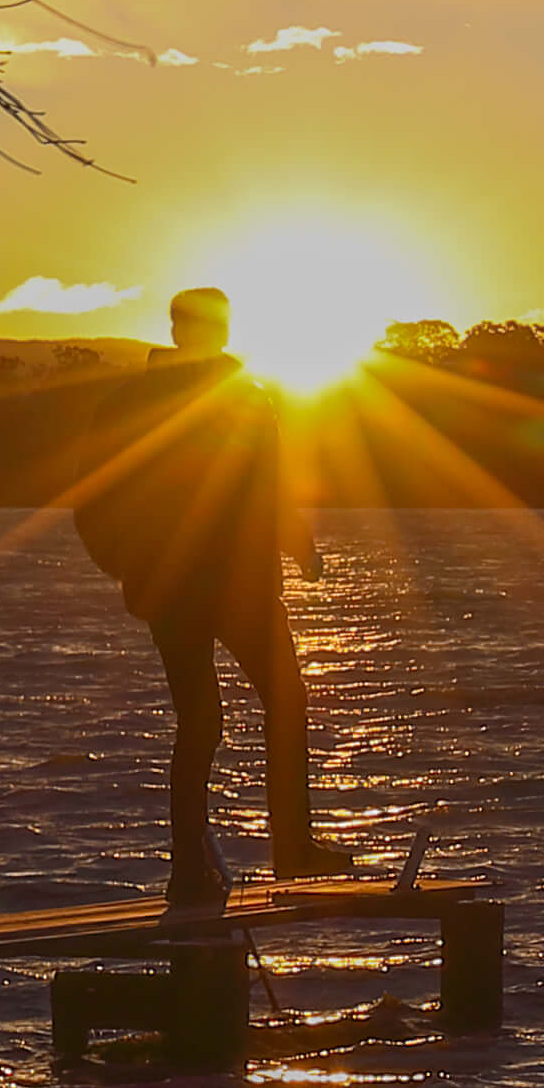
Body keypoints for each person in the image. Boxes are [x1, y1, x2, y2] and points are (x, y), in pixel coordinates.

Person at [68, 288, 362, 901]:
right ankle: (285, 850)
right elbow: (269, 489)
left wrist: (127, 570)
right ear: (211, 333)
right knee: (270, 706)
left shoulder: (163, 403)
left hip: (185, 586)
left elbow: (265, 491)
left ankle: (198, 868)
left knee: (204, 722)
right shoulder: (243, 404)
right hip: (227, 584)